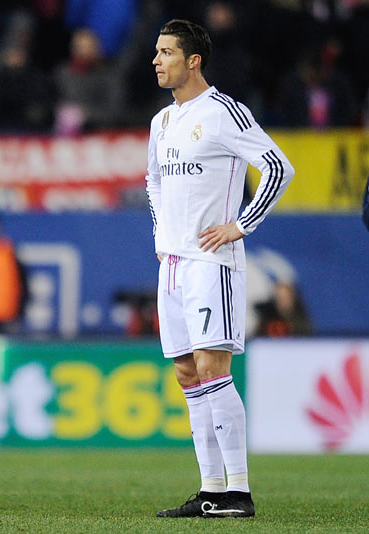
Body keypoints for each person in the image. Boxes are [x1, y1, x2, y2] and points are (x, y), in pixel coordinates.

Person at [146, 19, 294, 518]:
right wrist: (160, 235)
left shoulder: (225, 112)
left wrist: (241, 225)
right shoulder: (162, 122)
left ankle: (239, 492)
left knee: (213, 368)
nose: (156, 60)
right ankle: (211, 490)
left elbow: (278, 167)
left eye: (166, 52)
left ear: (193, 61)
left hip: (214, 261)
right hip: (173, 264)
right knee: (188, 373)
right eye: (156, 51)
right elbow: (153, 182)